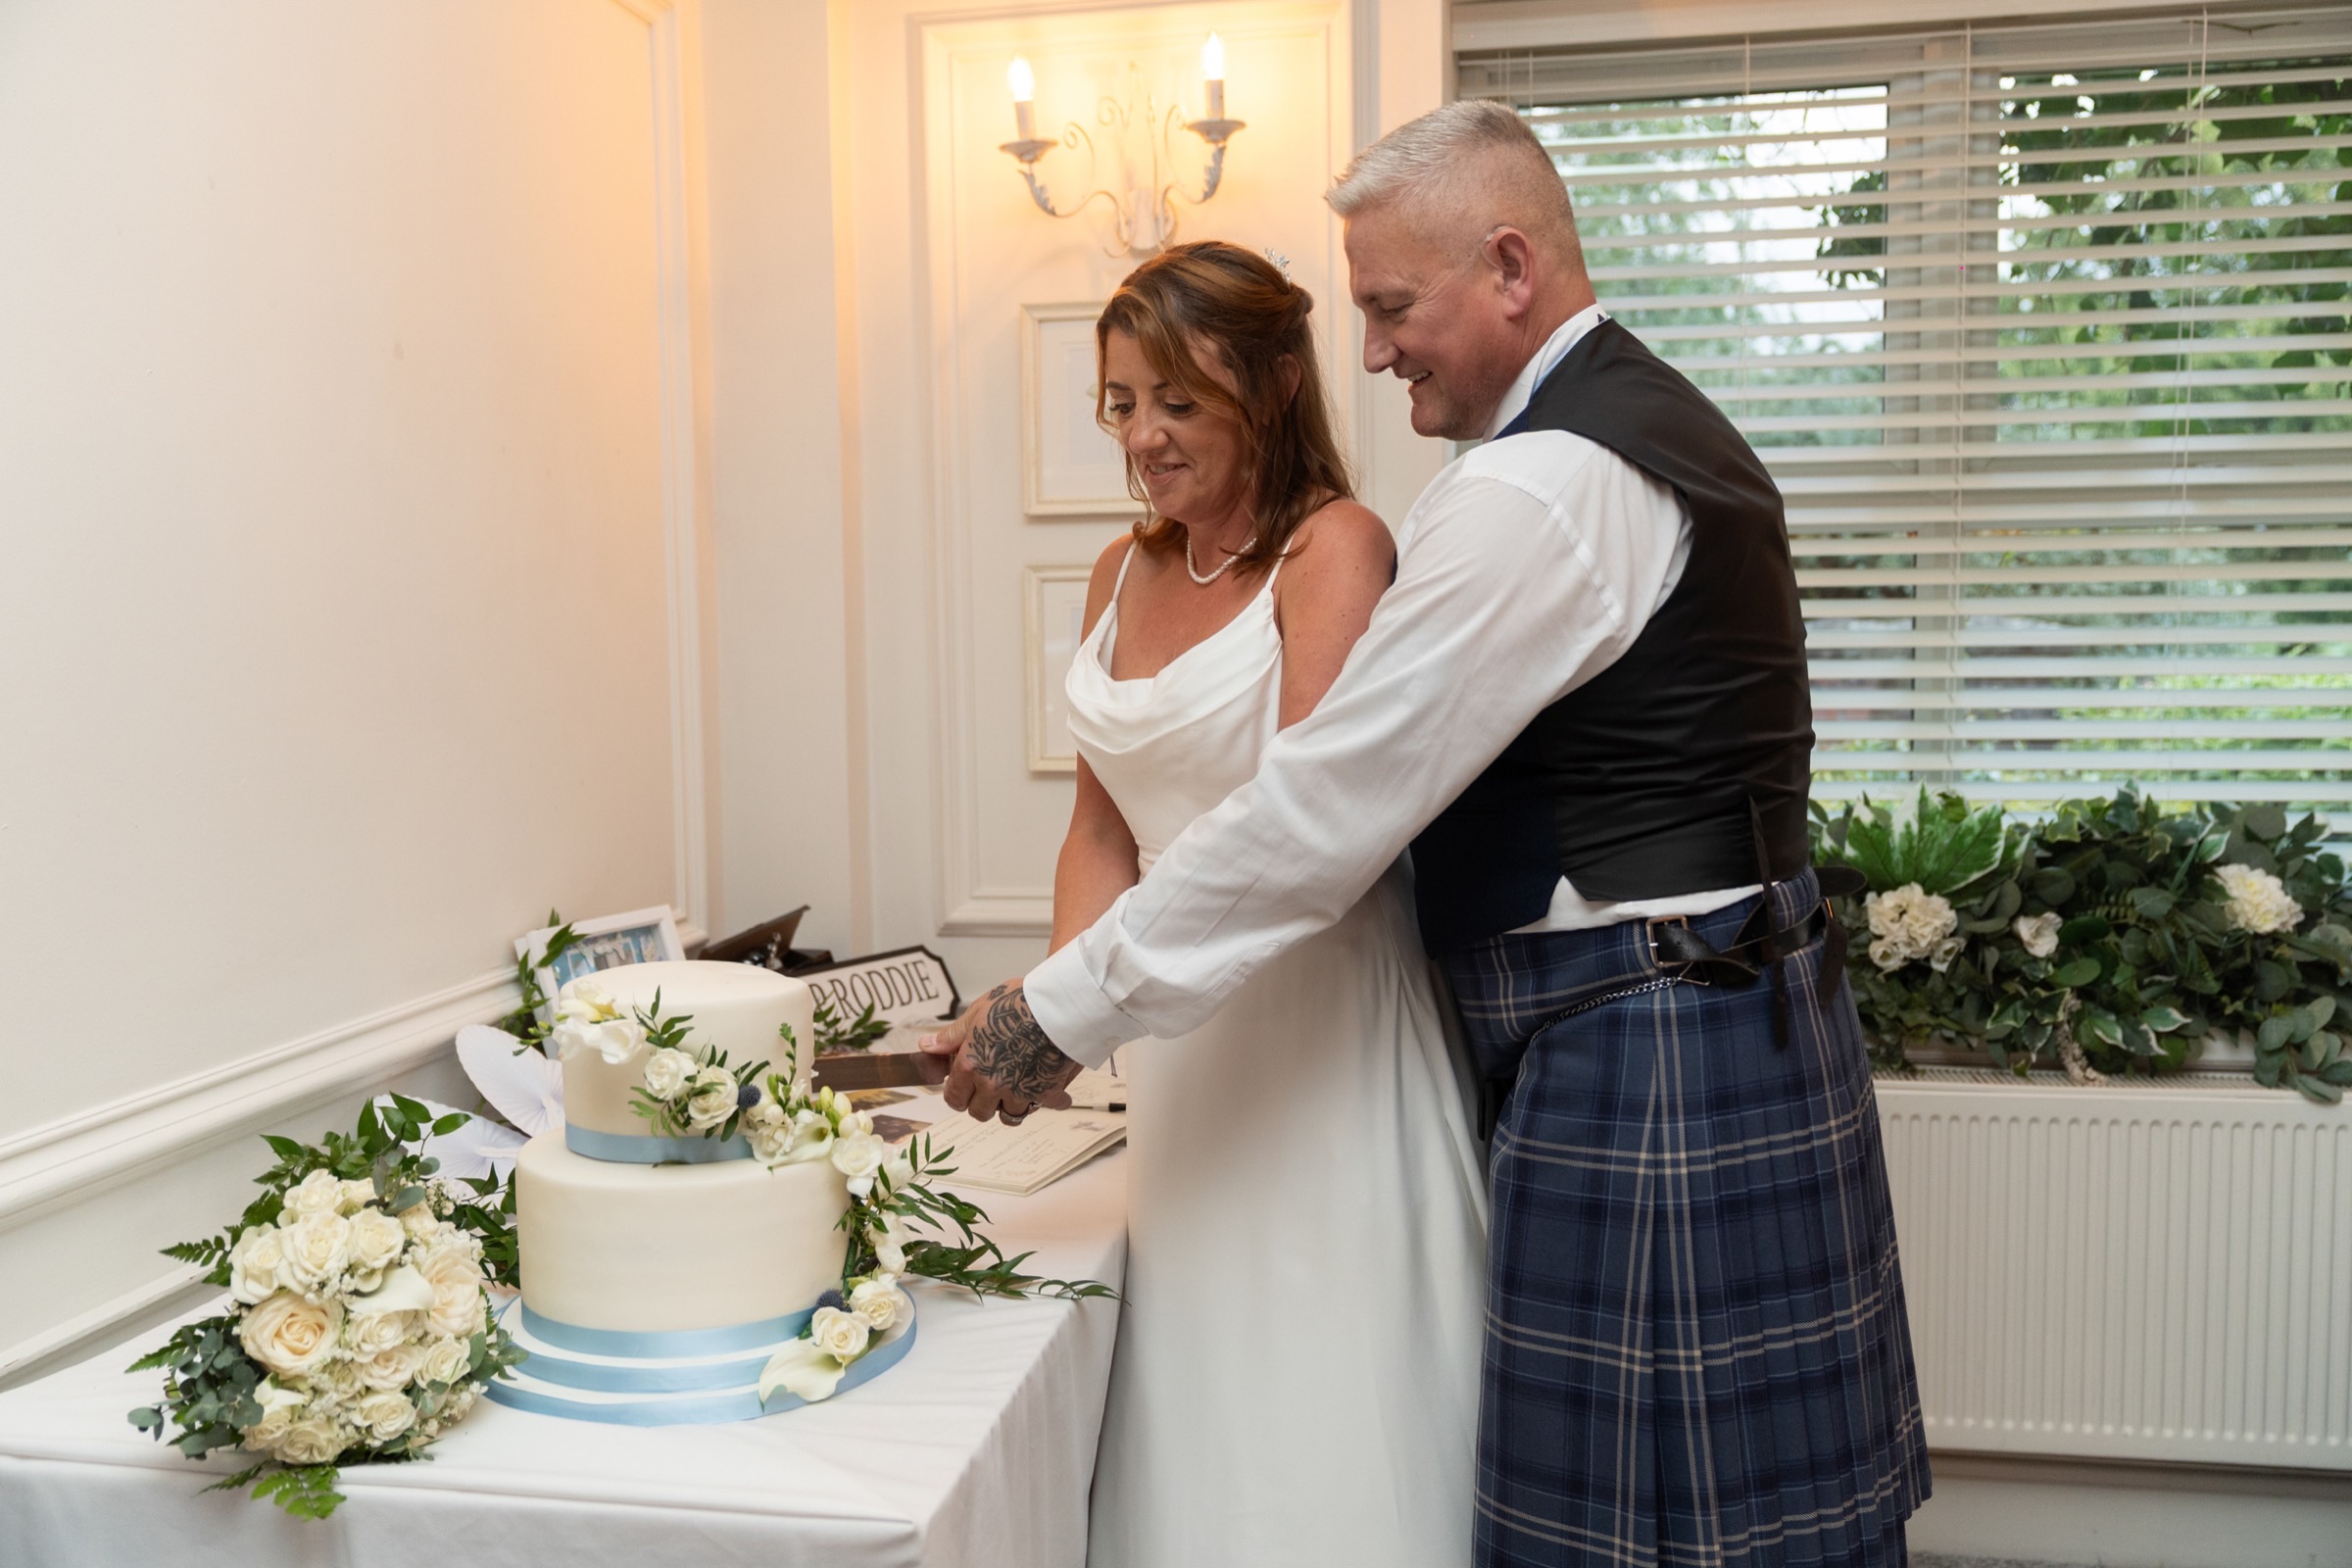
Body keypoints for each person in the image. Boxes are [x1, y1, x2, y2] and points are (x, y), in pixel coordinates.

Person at [927, 102, 1928, 1567]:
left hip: (1650, 1034)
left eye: (1394, 306)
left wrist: (1054, 1013)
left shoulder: (1545, 488)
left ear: (1509, 269)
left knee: (1648, 1525)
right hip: (1707, 1009)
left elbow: (1325, 811)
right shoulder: (1634, 432)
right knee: (1693, 1518)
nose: (1377, 346)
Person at [1023, 241, 1488, 1568]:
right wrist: (1069, 1024)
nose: (1145, 438)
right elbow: (1100, 825)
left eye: (1178, 400)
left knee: (1324, 1392)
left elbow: (1305, 837)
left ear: (1275, 386)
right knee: (1200, 1390)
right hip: (1178, 1051)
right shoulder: (1120, 572)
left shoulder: (1335, 549)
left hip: (1317, 1029)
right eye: (1121, 403)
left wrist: (1076, 1002)